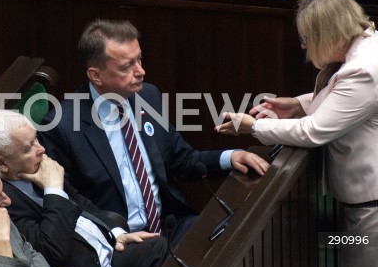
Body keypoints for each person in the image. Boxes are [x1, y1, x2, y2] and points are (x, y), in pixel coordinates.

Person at [38, 18, 270, 245]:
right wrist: (113, 231)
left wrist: (231, 157)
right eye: (126, 67)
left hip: (170, 226)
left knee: (239, 235)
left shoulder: (147, 96)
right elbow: (66, 200)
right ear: (95, 75)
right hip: (119, 241)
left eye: (139, 59)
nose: (141, 71)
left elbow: (182, 160)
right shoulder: (63, 126)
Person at [216, 0, 378, 267]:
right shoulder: (362, 50)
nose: (304, 47)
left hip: (371, 208)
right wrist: (297, 105)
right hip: (361, 204)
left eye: (306, 39)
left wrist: (253, 126)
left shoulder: (363, 69)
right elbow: (343, 100)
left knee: (359, 266)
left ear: (326, 33)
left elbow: (315, 131)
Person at [0, 109, 167, 267]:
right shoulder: (3, 202)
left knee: (160, 246)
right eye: (28, 148)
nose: (41, 149)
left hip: (110, 250)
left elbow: (82, 203)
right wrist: (54, 190)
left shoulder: (40, 167)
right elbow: (50, 252)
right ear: (2, 163)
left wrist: (116, 232)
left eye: (36, 139)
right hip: (89, 266)